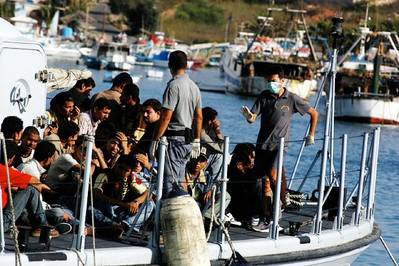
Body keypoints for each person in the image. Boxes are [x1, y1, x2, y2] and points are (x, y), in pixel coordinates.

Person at [240, 67, 318, 232]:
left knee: (272, 176)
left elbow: (314, 113)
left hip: (280, 145)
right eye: (269, 81)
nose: (271, 84)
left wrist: (311, 135)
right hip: (262, 145)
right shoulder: (264, 96)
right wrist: (249, 117)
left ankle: (280, 206)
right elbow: (253, 118)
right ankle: (264, 215)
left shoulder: (292, 99)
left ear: (283, 81)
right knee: (261, 181)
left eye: (274, 81)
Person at [150, 50, 202, 197]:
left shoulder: (173, 86)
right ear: (186, 65)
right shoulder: (194, 87)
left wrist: (155, 138)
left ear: (169, 65)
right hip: (188, 141)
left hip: (173, 139)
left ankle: (168, 216)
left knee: (168, 183)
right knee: (179, 180)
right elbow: (198, 117)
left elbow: (166, 116)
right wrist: (197, 139)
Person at [0, 140, 59, 237]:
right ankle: (42, 226)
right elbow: (33, 181)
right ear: (11, 159)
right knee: (30, 188)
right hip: (3, 222)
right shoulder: (4, 171)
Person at [92, 154, 154, 238]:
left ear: (131, 171)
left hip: (120, 211)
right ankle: (116, 227)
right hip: (105, 209)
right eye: (120, 168)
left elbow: (148, 192)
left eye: (126, 170)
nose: (122, 172)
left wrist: (136, 202)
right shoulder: (105, 174)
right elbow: (97, 194)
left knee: (150, 203)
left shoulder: (131, 177)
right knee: (103, 204)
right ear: (116, 164)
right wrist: (124, 205)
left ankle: (125, 225)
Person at [17, 141, 72, 234]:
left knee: (64, 210)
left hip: (33, 209)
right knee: (59, 213)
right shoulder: (31, 170)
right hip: (26, 211)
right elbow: (34, 202)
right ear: (48, 158)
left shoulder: (31, 167)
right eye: (52, 158)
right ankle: (83, 229)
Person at [227, 143, 258, 230]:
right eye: (251, 157)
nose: (253, 160)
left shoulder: (251, 171)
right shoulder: (232, 169)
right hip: (236, 206)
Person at [200, 107, 224, 182]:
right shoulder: (202, 134)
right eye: (214, 119)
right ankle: (214, 183)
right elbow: (222, 149)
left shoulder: (207, 131)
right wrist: (218, 130)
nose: (216, 121)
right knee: (219, 156)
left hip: (203, 159)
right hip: (198, 162)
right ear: (209, 121)